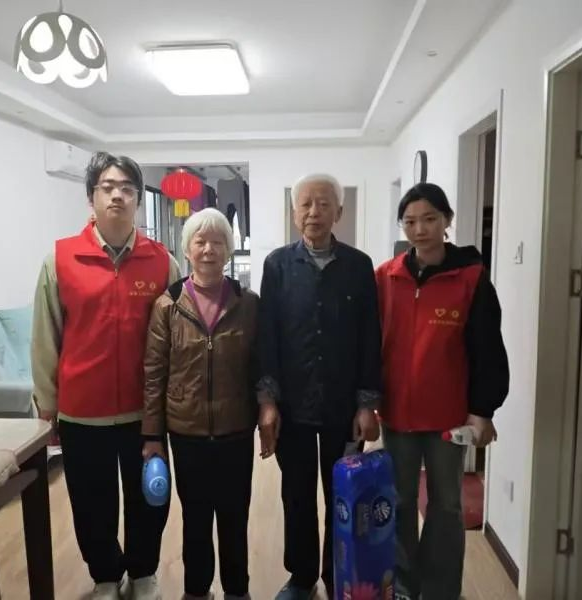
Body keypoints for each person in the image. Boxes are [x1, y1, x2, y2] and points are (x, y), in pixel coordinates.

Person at [31, 152, 181, 600]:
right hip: (83, 410)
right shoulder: (61, 260)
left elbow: (177, 339)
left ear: (138, 199)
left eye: (127, 188)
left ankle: (143, 573)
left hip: (145, 411)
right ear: (92, 197)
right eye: (108, 187)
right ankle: (105, 577)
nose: (118, 195)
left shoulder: (162, 262)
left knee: (149, 496)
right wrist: (47, 404)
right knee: (90, 501)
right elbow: (45, 336)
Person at [375, 183, 509, 600]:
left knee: (447, 505)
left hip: (449, 417)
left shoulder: (471, 278)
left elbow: (488, 348)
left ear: (447, 220)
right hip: (397, 413)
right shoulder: (386, 276)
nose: (420, 229)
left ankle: (440, 590)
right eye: (410, 221)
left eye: (429, 219)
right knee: (399, 501)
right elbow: (369, 343)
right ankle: (403, 586)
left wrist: (482, 410)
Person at [258, 174, 382, 600]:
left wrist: (367, 404)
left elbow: (370, 337)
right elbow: (268, 336)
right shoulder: (277, 265)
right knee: (296, 493)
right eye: (306, 204)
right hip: (292, 406)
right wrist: (267, 400)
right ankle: (302, 576)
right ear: (294, 213)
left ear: (339, 212)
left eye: (324, 204)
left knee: (342, 494)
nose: (314, 212)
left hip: (343, 406)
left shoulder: (359, 266)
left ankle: (338, 574)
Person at [143, 208, 259, 600]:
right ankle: (196, 591)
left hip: (235, 430)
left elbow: (261, 365)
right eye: (200, 241)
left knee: (234, 517)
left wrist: (267, 412)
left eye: (218, 241)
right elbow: (154, 373)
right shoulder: (168, 305)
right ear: (187, 249)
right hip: (186, 431)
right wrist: (152, 436)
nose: (209, 249)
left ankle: (237, 591)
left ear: (229, 249)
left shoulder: (248, 304)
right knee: (195, 518)